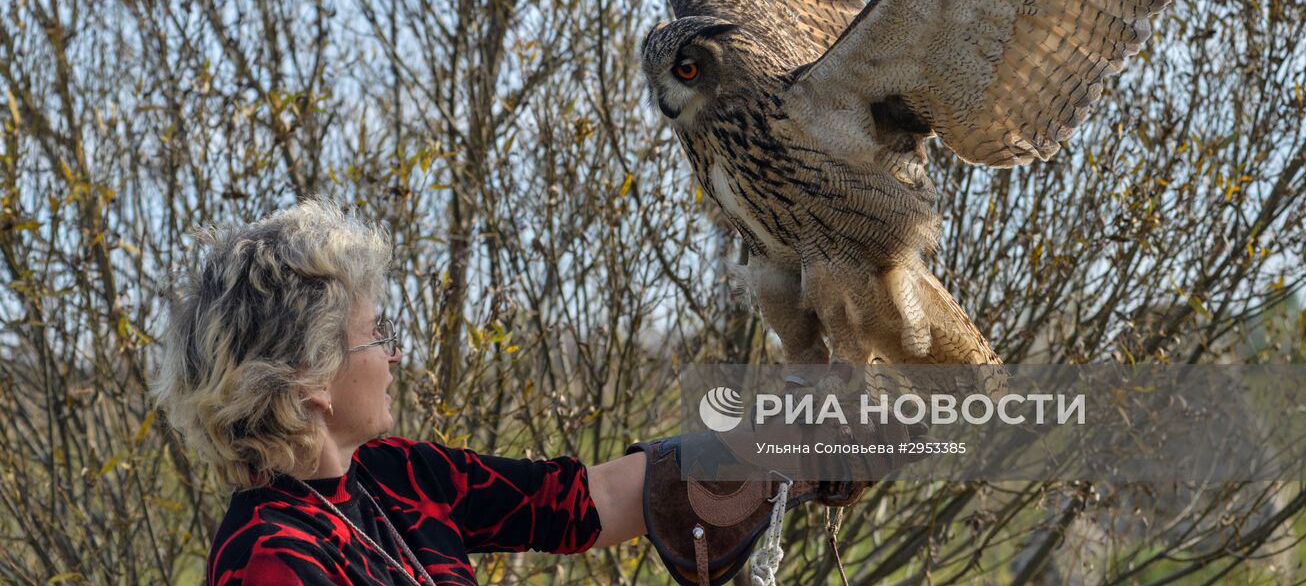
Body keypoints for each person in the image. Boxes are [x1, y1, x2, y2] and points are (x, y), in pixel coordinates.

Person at [157, 200, 856, 586]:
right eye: (377, 335)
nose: (396, 354)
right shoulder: (270, 560)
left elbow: (586, 503)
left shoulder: (399, 477)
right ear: (310, 380)